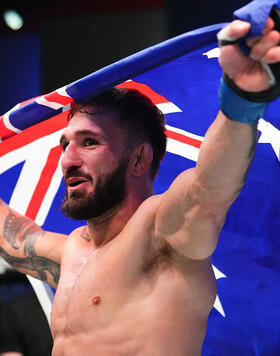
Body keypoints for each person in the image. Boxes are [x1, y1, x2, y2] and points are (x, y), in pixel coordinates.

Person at [0, 17, 280, 355]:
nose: (67, 160)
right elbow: (15, 238)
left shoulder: (161, 237)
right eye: (65, 145)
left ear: (138, 159)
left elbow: (209, 189)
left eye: (89, 142)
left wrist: (240, 101)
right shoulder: (72, 252)